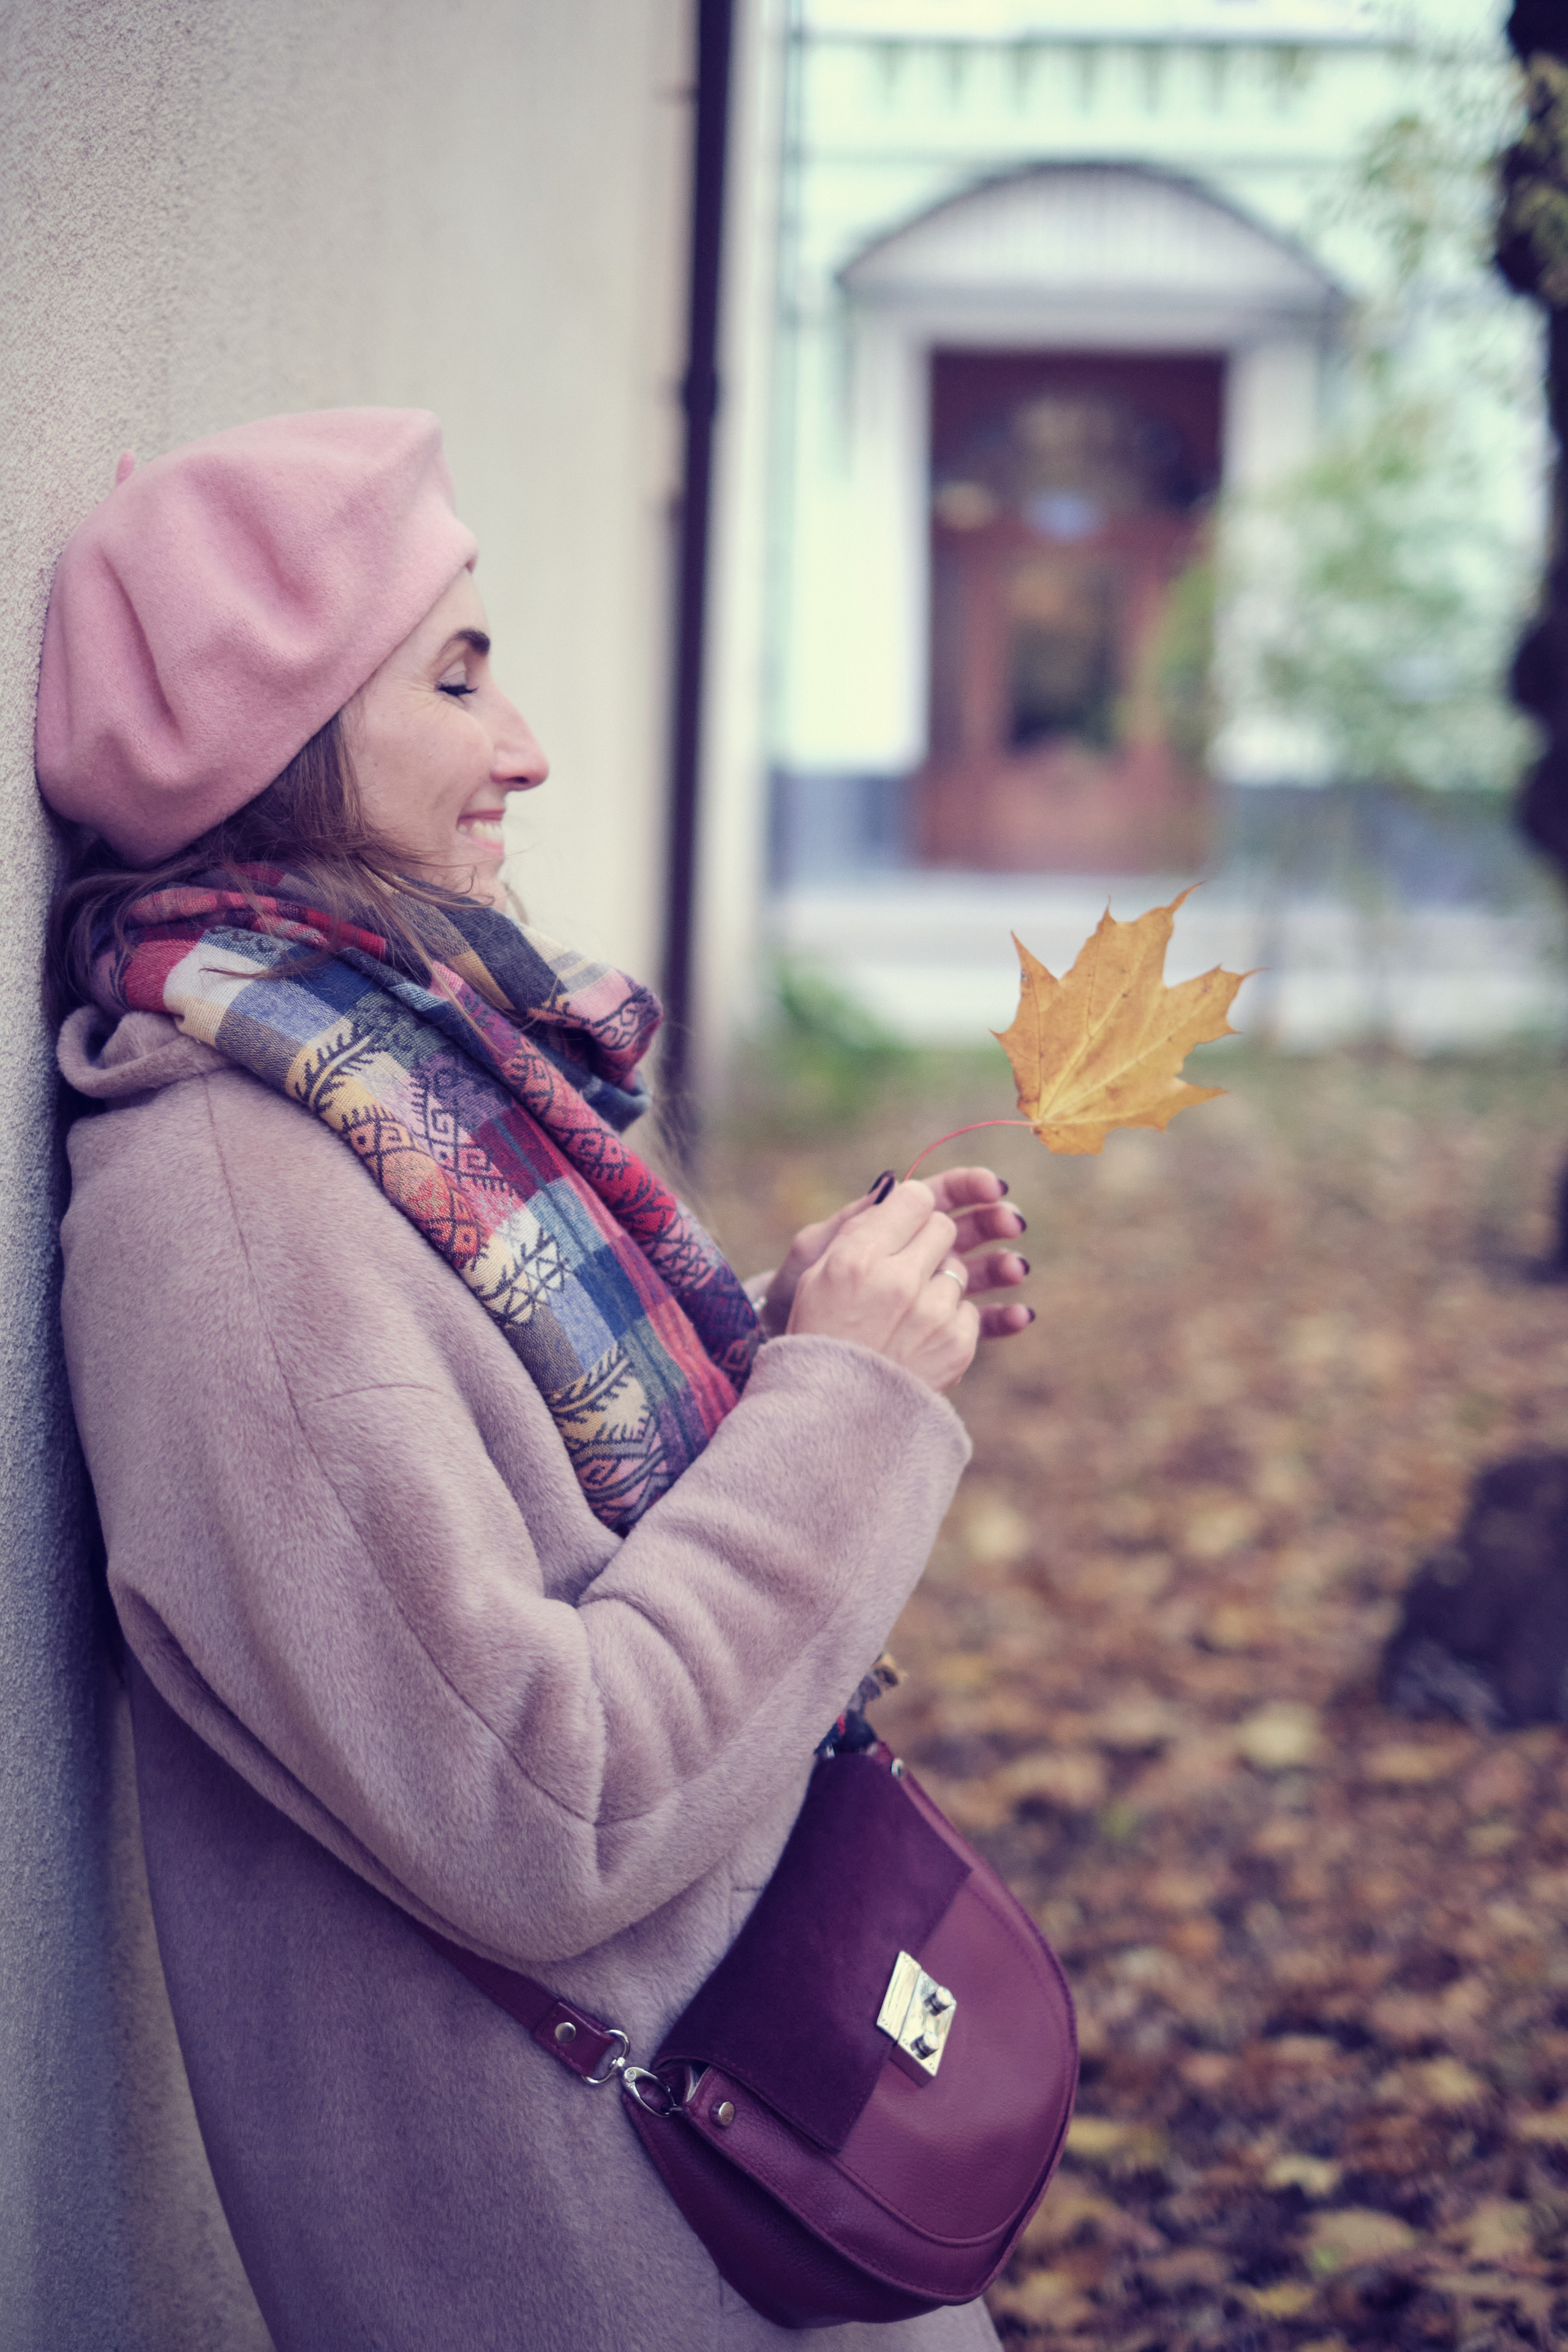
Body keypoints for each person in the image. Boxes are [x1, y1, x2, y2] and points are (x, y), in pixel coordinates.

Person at [40, 410, 1034, 2351]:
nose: (526, 747)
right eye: (457, 676)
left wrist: (807, 1330)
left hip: (724, 2153)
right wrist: (839, 1409)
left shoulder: (389, 1099)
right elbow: (541, 1805)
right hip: (612, 2245)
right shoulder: (233, 1221)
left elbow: (506, 1517)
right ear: (281, 745)